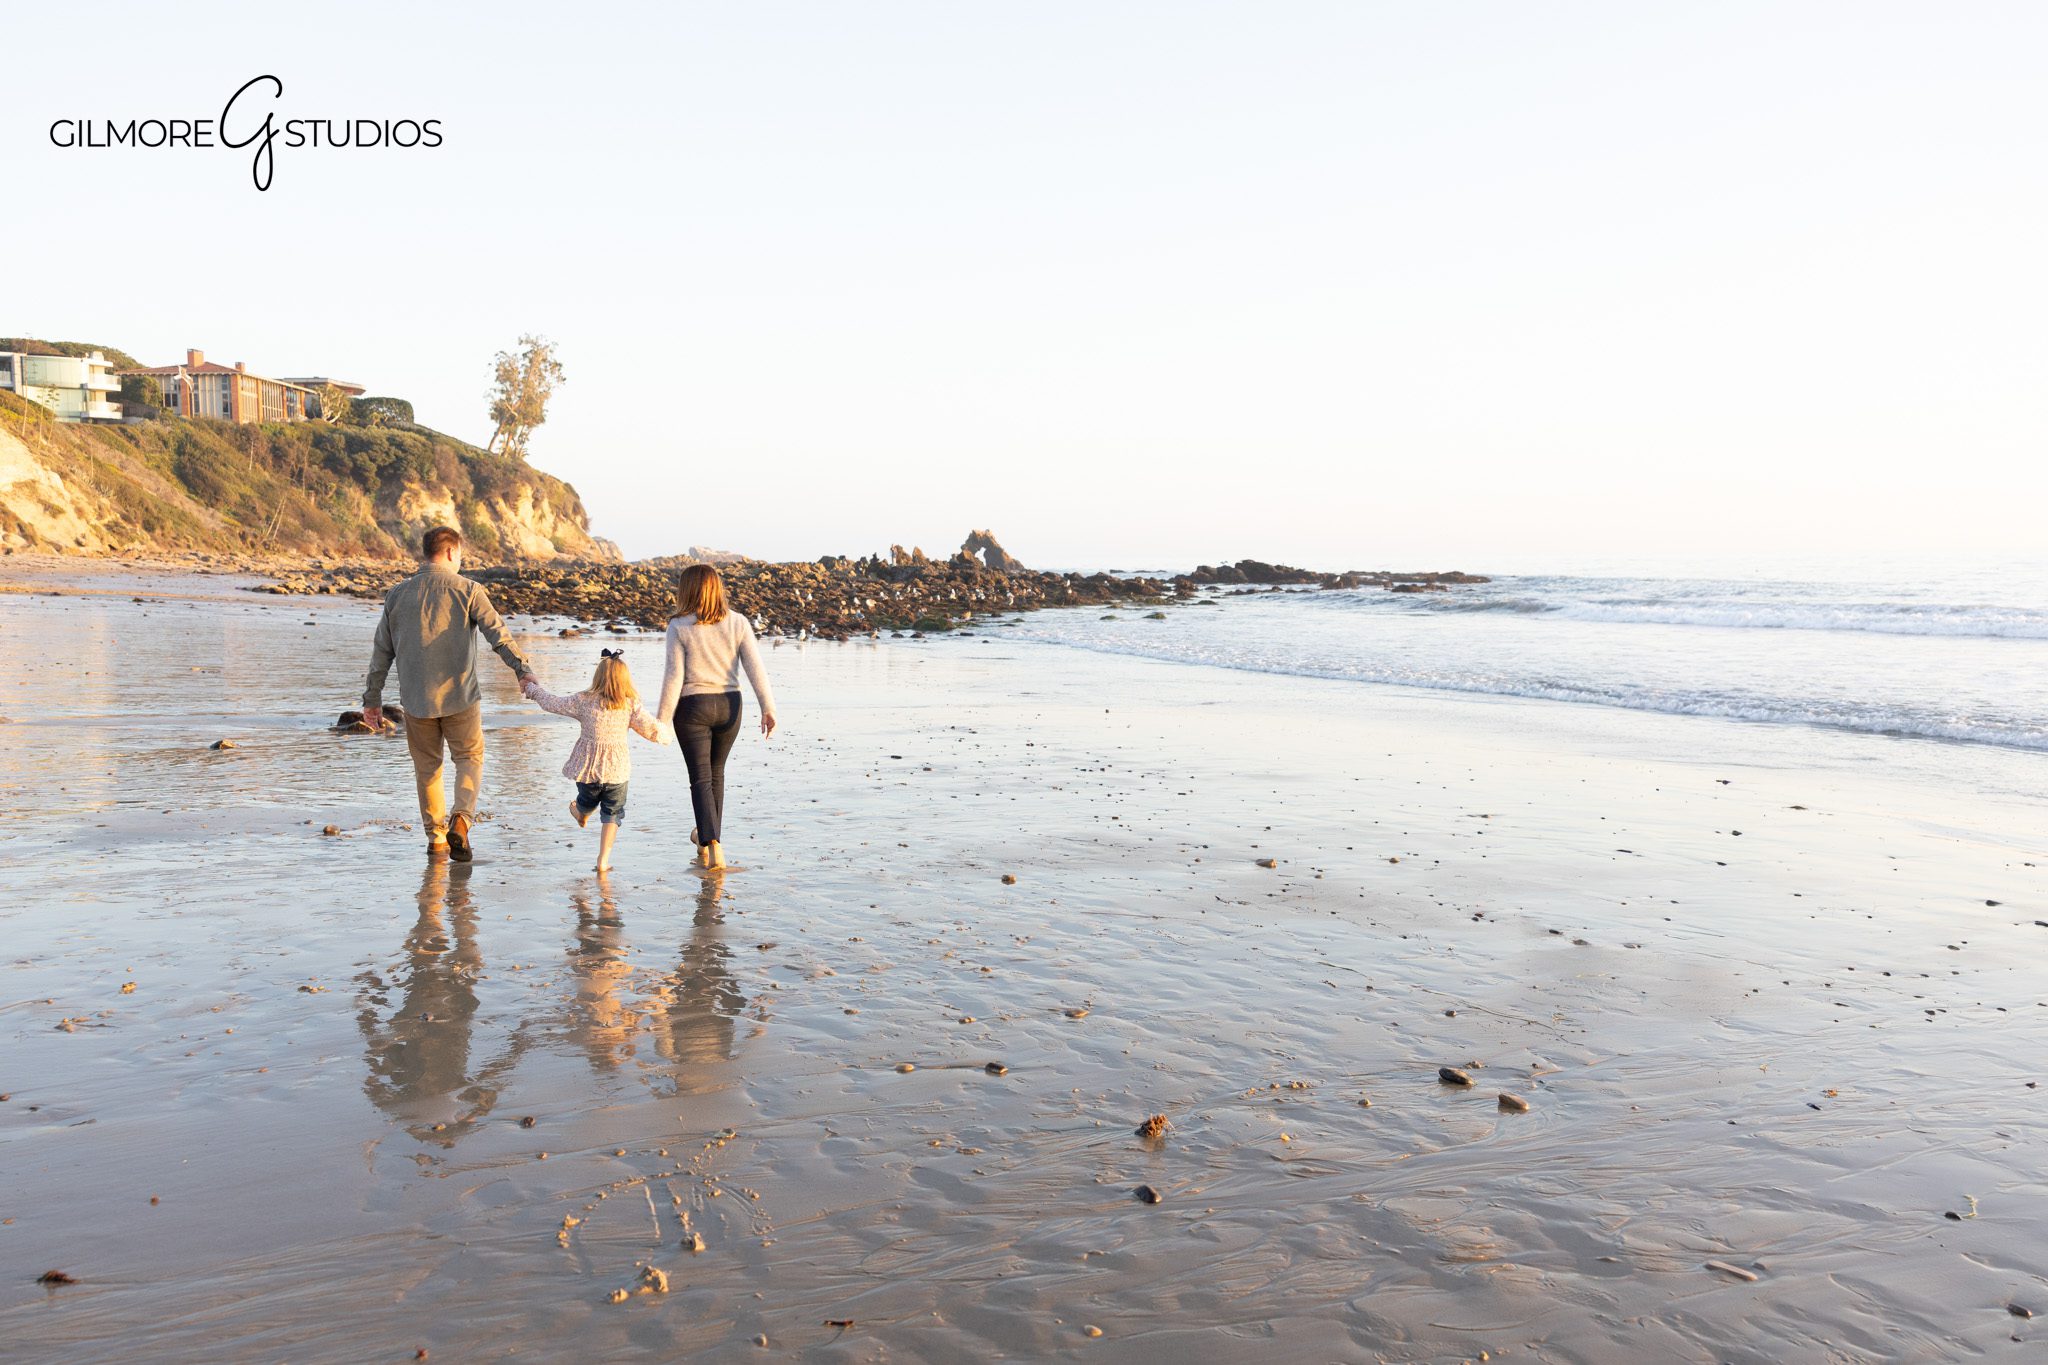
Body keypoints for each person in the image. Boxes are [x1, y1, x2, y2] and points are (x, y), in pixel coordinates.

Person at [363, 526, 535, 861]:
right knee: (469, 758)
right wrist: (523, 669)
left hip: (416, 701)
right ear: (453, 553)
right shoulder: (468, 590)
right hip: (460, 698)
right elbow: (498, 635)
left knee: (428, 769)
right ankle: (461, 819)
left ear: (425, 552)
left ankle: (436, 840)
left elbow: (381, 651)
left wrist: (372, 699)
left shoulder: (397, 595)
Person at [653, 564, 777, 870]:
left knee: (700, 778)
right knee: (716, 774)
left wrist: (661, 720)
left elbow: (674, 677)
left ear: (688, 591)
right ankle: (707, 839)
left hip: (693, 707)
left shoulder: (679, 625)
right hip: (730, 705)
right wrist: (768, 707)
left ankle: (713, 847)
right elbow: (754, 667)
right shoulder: (738, 622)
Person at [521, 649, 664, 873]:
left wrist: (532, 689)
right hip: (617, 772)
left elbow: (552, 702)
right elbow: (650, 728)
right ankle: (603, 861)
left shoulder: (583, 700)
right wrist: (668, 735)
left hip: (588, 770)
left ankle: (580, 812)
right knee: (612, 814)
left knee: (587, 802)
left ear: (597, 677)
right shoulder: (629, 704)